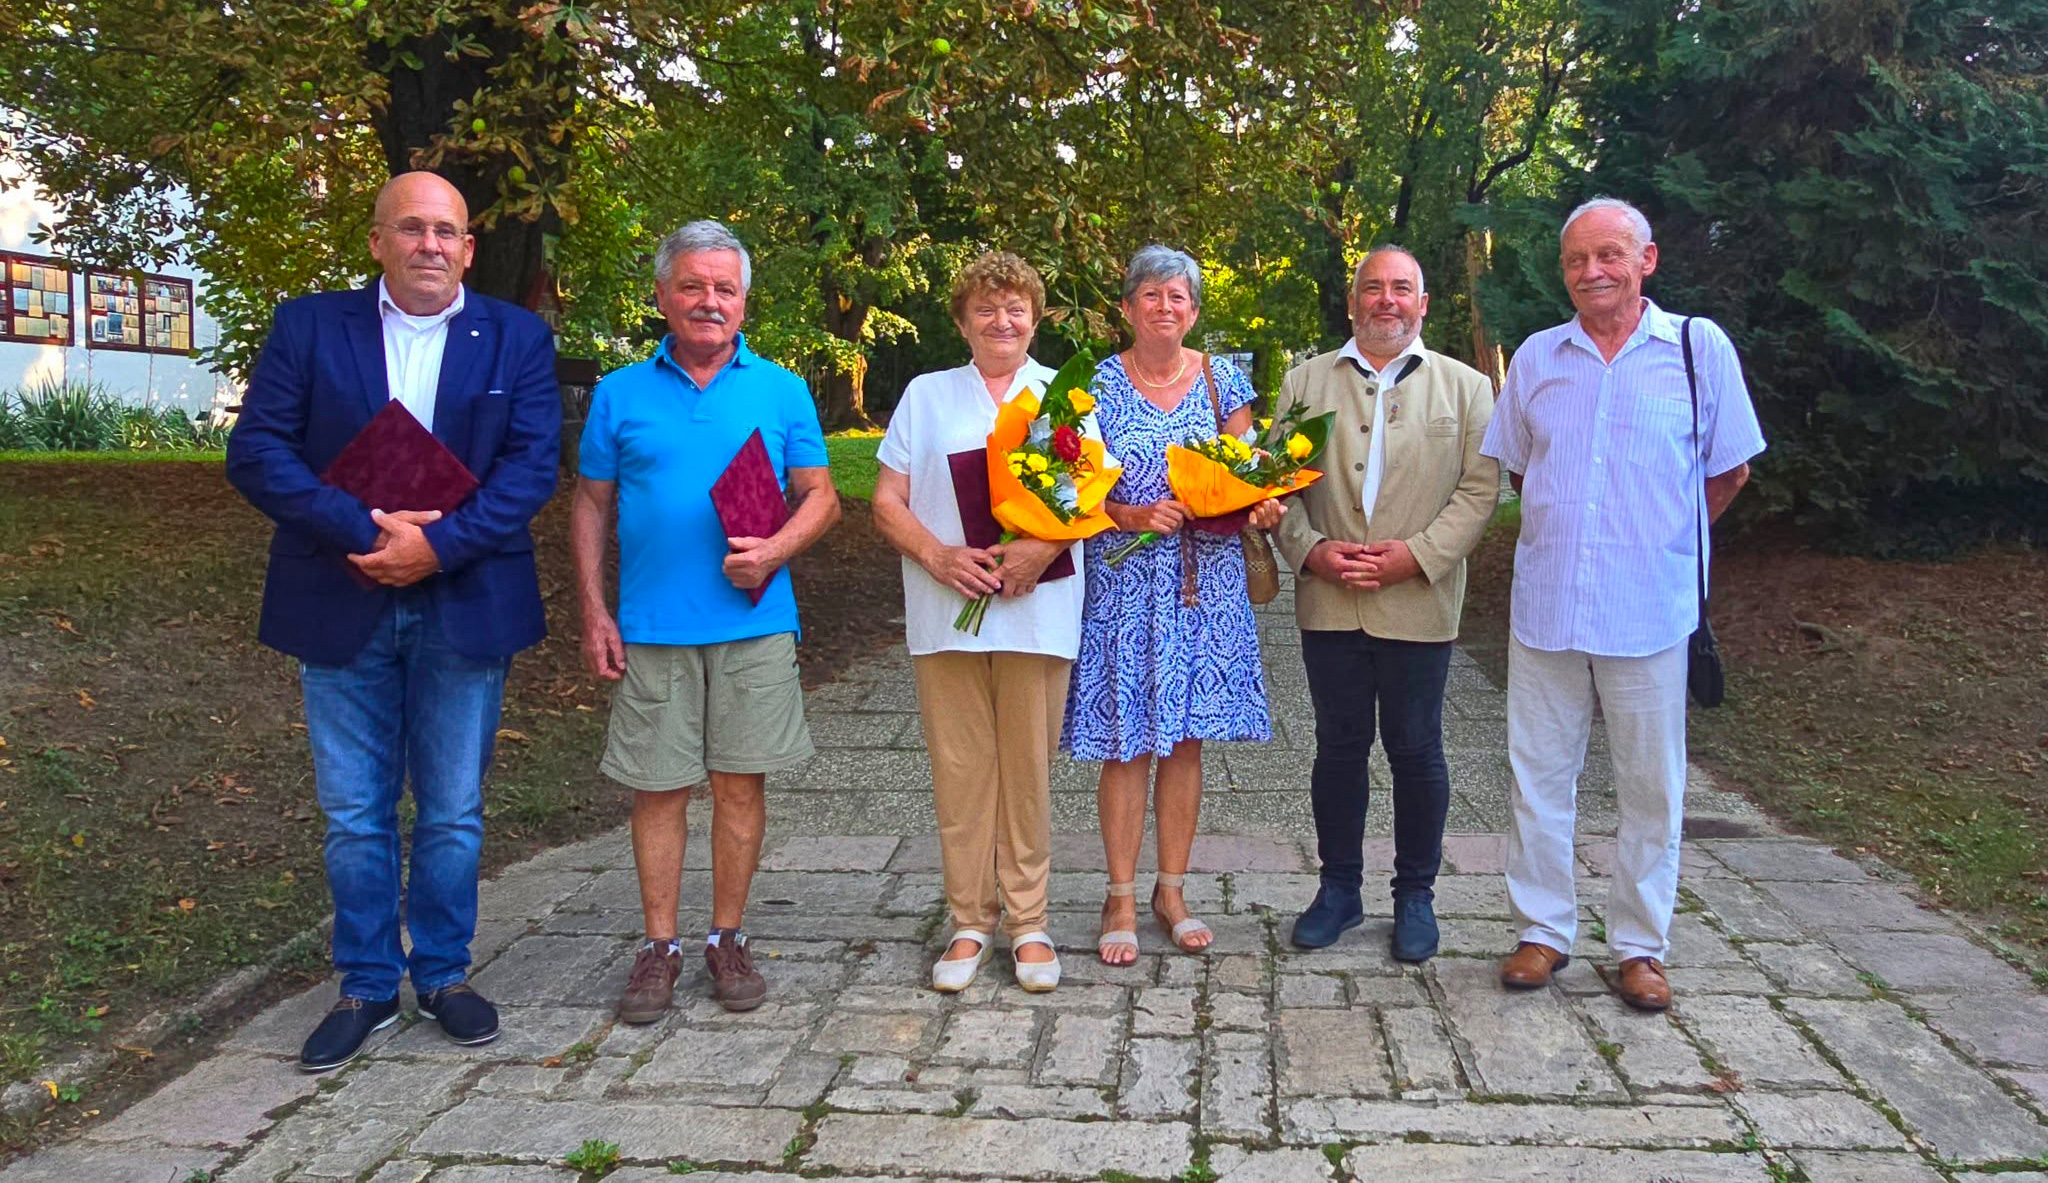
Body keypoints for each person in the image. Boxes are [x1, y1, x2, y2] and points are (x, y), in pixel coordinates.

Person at [226, 171, 561, 1072]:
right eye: (411, 228)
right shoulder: (308, 326)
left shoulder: (517, 337)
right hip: (339, 594)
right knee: (353, 812)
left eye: (446, 231)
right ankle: (368, 984)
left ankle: (444, 972)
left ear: (469, 248)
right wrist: (362, 528)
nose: (429, 245)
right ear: (377, 240)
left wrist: (437, 547)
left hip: (465, 598)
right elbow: (256, 451)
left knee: (452, 809)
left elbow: (531, 468)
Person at [1481, 197, 1764, 1011]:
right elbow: (1521, 469)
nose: (1592, 271)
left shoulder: (1695, 348)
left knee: (1651, 785)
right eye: (1576, 259)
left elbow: (1730, 470)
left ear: (1647, 259)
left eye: (1609, 254)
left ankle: (1641, 946)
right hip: (1548, 604)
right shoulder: (1538, 356)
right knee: (1539, 776)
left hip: (1649, 608)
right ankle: (1542, 931)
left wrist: (1662, 538)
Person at [571, 220, 839, 1020]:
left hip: (755, 622)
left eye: (725, 288)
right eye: (692, 285)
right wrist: (594, 609)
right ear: (662, 296)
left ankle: (728, 936)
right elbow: (590, 503)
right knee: (657, 788)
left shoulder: (781, 388)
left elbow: (821, 495)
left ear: (745, 301)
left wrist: (775, 551)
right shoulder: (619, 392)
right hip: (652, 626)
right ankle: (660, 947)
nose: (708, 301)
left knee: (739, 785)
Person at [871, 251, 1098, 992]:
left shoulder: (1064, 395)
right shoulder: (927, 395)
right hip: (949, 610)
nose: (1002, 321)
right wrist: (937, 556)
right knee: (962, 771)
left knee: (1027, 773)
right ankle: (970, 920)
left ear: (1035, 319)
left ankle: (1029, 922)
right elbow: (886, 501)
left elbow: (1089, 498)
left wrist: (1042, 548)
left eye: (1015, 308)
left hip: (1037, 610)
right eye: (986, 309)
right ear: (963, 322)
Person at [1272, 245, 1498, 961]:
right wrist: (1310, 550)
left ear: (1422, 304)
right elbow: (1274, 485)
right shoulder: (1305, 382)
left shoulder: (1467, 388)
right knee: (1338, 747)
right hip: (1330, 597)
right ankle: (1338, 889)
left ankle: (1415, 895)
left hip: (1418, 599)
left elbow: (1479, 491)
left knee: (1416, 748)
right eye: (1373, 287)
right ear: (1352, 302)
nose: (1386, 299)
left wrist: (1418, 556)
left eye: (1402, 288)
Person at [1064, 244, 1286, 966]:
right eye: (1151, 294)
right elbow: (1067, 490)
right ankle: (1120, 895)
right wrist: (1130, 515)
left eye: (1178, 296)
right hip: (1125, 584)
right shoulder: (1094, 385)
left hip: (1204, 584)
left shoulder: (1224, 380)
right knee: (1126, 739)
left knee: (1188, 739)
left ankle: (1172, 891)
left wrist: (1261, 504)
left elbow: (1245, 472)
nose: (1165, 306)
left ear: (1193, 311)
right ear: (1127, 308)